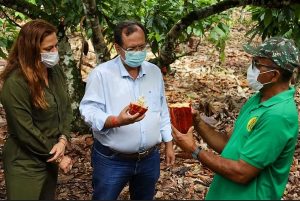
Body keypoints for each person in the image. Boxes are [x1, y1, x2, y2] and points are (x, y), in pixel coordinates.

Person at [171, 37, 300, 200]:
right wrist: (197, 122)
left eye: (257, 63)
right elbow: (228, 145)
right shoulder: (259, 99)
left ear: (274, 75)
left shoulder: (278, 116)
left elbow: (242, 172)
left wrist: (194, 151)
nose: (252, 67)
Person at [79, 20, 175, 200]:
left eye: (142, 46)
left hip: (149, 157)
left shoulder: (153, 72)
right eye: (132, 49)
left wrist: (168, 142)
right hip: (112, 159)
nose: (138, 53)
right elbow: (88, 111)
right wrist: (116, 120)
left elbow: (161, 108)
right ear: (117, 47)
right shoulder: (101, 74)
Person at [0, 19, 73, 200]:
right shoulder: (16, 83)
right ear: (31, 50)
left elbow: (66, 108)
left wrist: (63, 139)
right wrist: (58, 157)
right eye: (48, 49)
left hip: (51, 154)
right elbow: (24, 131)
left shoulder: (54, 71)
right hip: (25, 161)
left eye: (56, 46)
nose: (55, 52)